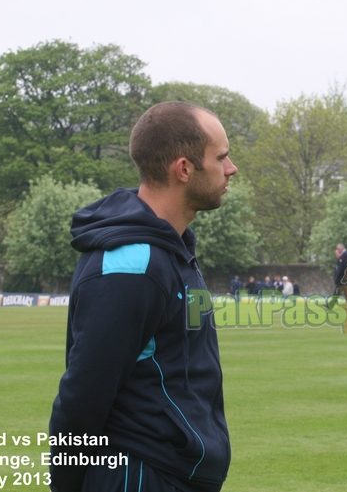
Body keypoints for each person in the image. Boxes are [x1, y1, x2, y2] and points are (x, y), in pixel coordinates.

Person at [49, 101, 237, 492]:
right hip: (139, 475)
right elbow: (83, 397)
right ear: (184, 168)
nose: (231, 168)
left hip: (173, 473)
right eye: (221, 157)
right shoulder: (132, 263)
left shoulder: (173, 249)